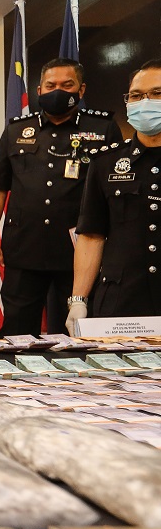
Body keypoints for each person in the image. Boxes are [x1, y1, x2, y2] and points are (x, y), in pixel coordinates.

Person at [0, 58, 121, 336]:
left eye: (66, 85)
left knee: (76, 332)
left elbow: (113, 191)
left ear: (81, 90)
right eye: (50, 85)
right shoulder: (16, 130)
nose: (57, 90)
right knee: (17, 332)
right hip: (24, 247)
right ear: (39, 90)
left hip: (77, 252)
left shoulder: (103, 129)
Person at [66, 59, 161, 334]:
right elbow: (91, 235)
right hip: (122, 304)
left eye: (156, 93)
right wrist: (78, 300)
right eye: (136, 95)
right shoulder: (106, 162)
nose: (145, 101)